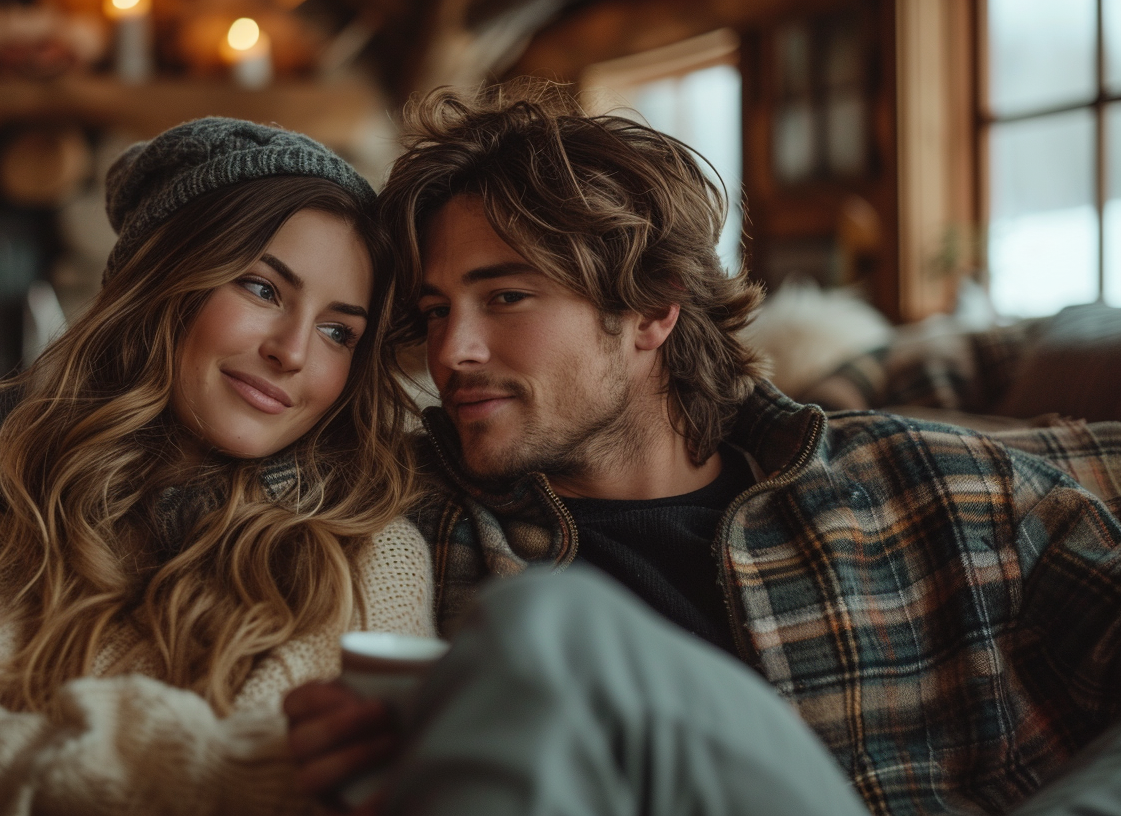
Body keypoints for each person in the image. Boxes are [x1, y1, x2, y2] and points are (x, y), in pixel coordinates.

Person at [284, 83, 1121, 815]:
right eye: (435, 312)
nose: (452, 352)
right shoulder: (411, 518)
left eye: (505, 297)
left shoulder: (929, 489)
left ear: (653, 311)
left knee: (546, 623)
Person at [0, 118, 435, 816]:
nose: (292, 352)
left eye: (337, 331)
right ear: (160, 286)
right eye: (262, 290)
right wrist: (221, 768)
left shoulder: (370, 563)